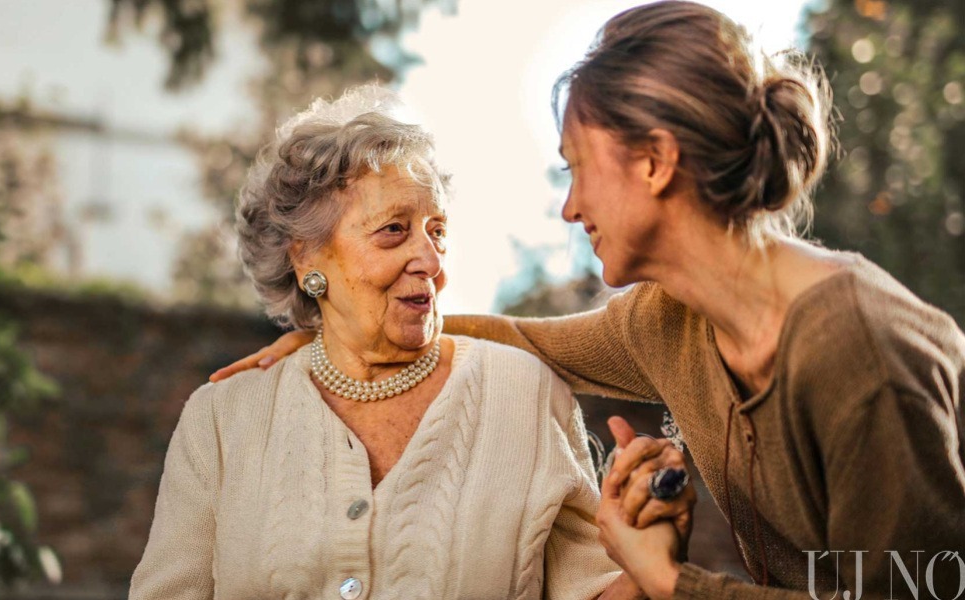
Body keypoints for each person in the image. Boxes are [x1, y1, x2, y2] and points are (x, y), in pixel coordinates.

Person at [209, 3, 965, 598]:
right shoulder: (668, 321)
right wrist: (342, 335)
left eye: (577, 168)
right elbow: (522, 339)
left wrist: (671, 582)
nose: (570, 208)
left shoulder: (859, 354)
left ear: (656, 162)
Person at [129, 86, 648, 599]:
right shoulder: (222, 420)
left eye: (437, 230)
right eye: (394, 230)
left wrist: (650, 565)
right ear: (307, 258)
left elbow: (591, 589)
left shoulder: (526, 395)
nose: (431, 260)